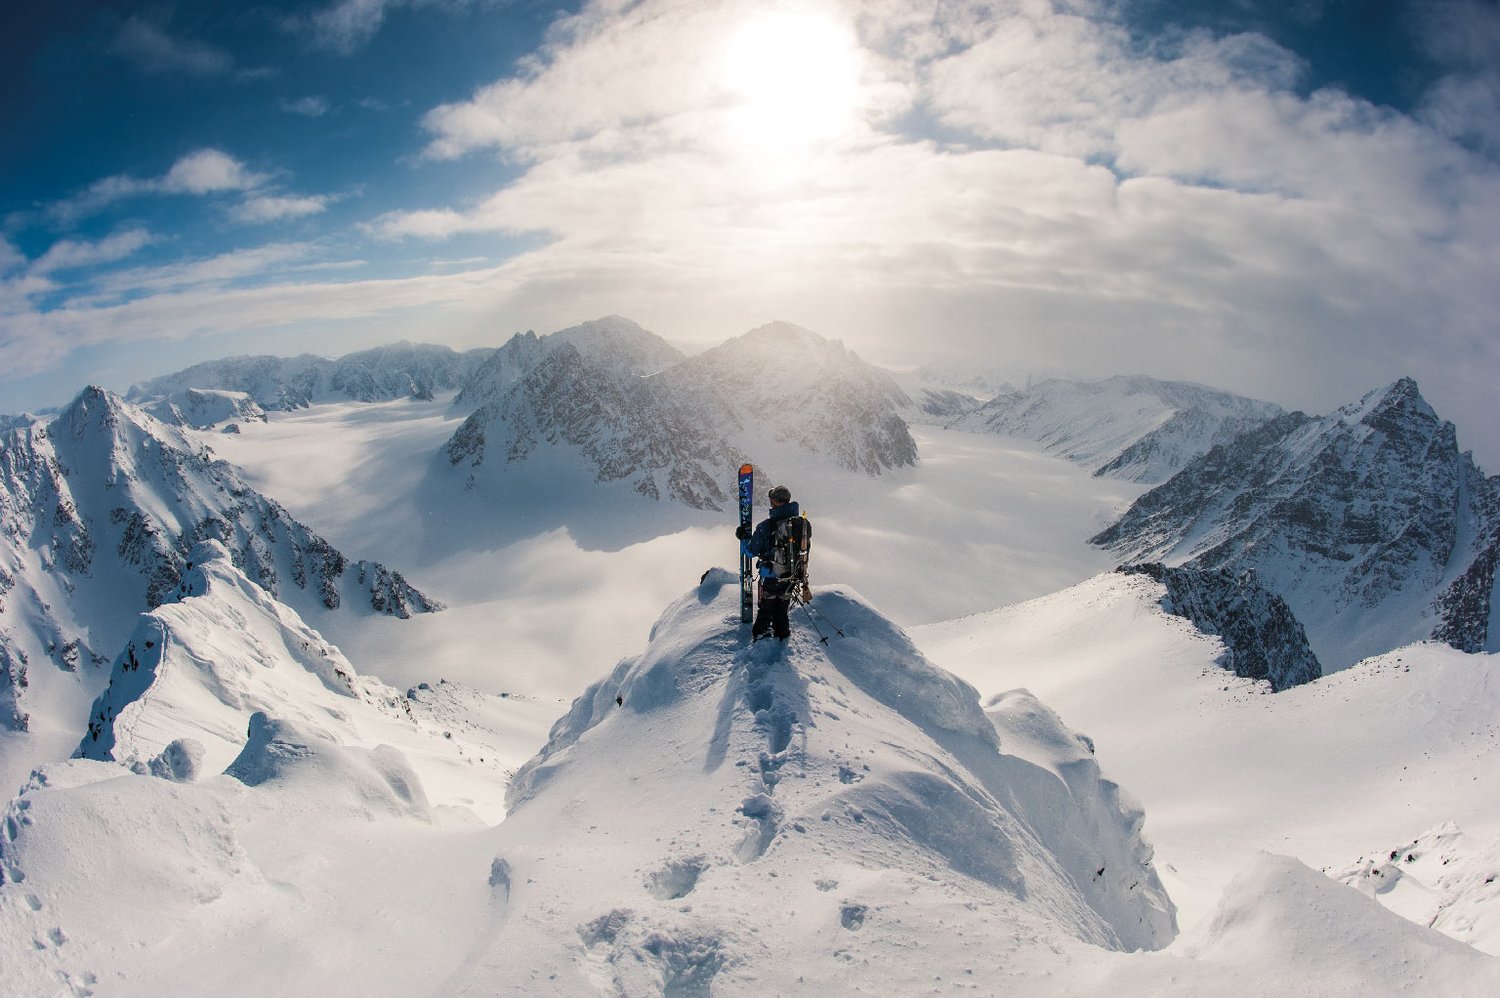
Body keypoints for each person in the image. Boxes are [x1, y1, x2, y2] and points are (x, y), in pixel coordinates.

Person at [735, 484, 811, 641]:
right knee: (781, 609)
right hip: (791, 575)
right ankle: (782, 635)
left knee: (766, 609)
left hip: (771, 575)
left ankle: (760, 636)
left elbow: (750, 551)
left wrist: (743, 538)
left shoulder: (765, 526)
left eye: (771, 500)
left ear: (774, 501)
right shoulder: (799, 524)